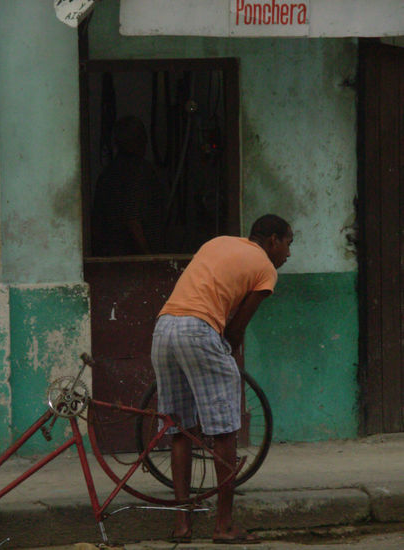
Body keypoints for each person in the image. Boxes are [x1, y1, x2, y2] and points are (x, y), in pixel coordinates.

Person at [151, 214, 293, 544]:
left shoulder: (218, 242)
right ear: (272, 241)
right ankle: (224, 525)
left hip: (164, 328)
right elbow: (237, 327)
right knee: (225, 429)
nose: (288, 253)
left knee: (179, 429)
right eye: (288, 243)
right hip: (199, 331)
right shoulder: (266, 269)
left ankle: (182, 525)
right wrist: (227, 349)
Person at [92, 115, 163, 256]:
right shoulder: (140, 172)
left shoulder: (107, 173)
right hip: (132, 256)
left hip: (108, 255)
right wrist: (148, 256)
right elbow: (133, 219)